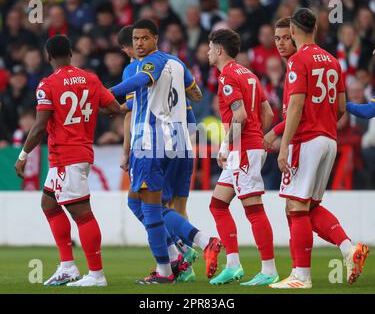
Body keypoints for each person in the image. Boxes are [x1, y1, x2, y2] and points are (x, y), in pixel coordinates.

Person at [264, 16, 369, 287]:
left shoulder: (299, 61)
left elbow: (296, 106)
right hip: (328, 140)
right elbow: (342, 107)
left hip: (307, 140)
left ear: (294, 31)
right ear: (315, 28)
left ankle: (301, 275)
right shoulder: (333, 61)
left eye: (285, 36)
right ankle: (348, 249)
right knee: (307, 206)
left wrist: (284, 144)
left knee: (296, 207)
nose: (282, 41)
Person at [116, 24, 222, 283]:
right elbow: (195, 93)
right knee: (158, 204)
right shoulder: (177, 63)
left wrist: (105, 99)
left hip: (150, 140)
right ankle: (179, 258)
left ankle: (191, 250)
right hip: (181, 140)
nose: (139, 44)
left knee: (150, 208)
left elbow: (130, 109)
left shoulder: (136, 68)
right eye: (136, 39)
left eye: (143, 39)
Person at [14, 35, 124, 287]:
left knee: (82, 214)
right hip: (75, 154)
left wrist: (23, 155)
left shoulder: (47, 84)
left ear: (48, 56)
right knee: (49, 204)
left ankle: (96, 275)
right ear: (72, 53)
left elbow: (40, 125)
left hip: (67, 156)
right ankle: (67, 266)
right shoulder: (91, 78)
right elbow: (113, 109)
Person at [207, 28, 278, 286]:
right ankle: (234, 265)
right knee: (217, 205)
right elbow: (267, 113)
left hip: (243, 150)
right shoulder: (249, 74)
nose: (206, 53)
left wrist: (226, 146)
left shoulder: (227, 77)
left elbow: (240, 116)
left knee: (254, 209)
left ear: (218, 50)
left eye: (209, 48)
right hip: (249, 147)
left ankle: (269, 270)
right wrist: (259, 137)